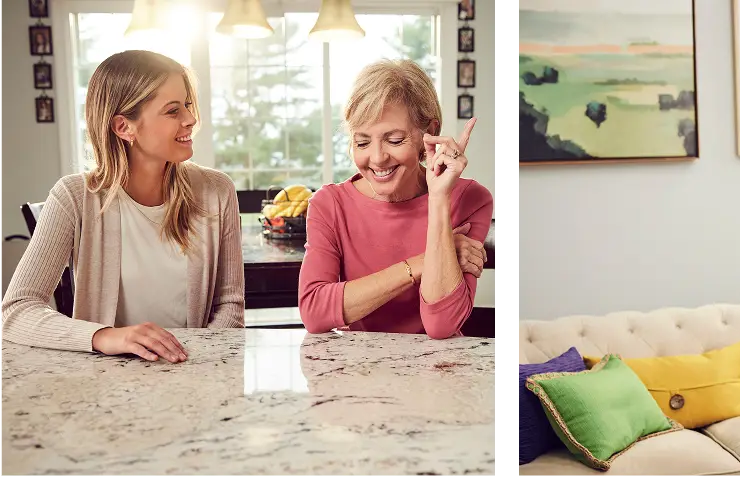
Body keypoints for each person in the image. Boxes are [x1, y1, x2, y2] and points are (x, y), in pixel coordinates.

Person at [0, 50, 242, 360]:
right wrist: (104, 336)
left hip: (193, 371)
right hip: (104, 380)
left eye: (188, 104)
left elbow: (230, 306)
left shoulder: (217, 191)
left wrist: (190, 360)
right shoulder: (75, 197)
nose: (190, 119)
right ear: (123, 127)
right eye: (172, 111)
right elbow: (18, 310)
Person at [298, 60, 493, 336]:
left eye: (394, 140)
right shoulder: (329, 204)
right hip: (354, 368)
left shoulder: (470, 199)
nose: (377, 158)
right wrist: (424, 262)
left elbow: (441, 325)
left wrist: (438, 198)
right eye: (362, 142)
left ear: (431, 133)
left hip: (440, 371)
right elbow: (315, 312)